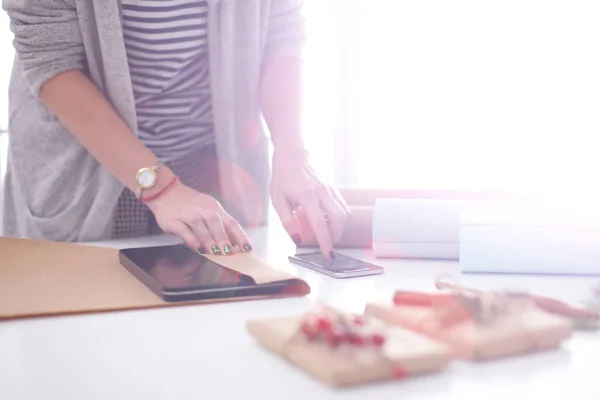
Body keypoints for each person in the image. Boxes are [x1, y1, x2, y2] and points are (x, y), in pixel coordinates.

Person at [2, 0, 349, 258]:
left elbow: (281, 30)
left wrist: (291, 151)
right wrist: (160, 189)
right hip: (89, 170)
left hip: (211, 161)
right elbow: (52, 59)